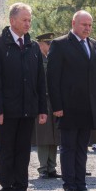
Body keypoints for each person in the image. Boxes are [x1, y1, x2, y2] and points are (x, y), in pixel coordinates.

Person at [0, 3, 47, 191]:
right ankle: (7, 189)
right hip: (6, 111)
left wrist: (42, 109)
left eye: (30, 20)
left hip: (28, 109)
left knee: (23, 151)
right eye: (24, 20)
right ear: (12, 21)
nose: (28, 23)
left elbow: (40, 80)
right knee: (7, 151)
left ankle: (21, 187)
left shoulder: (33, 46)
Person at [47, 10, 96, 191]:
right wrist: (57, 106)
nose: (87, 28)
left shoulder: (95, 45)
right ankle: (69, 184)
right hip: (69, 107)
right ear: (74, 23)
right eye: (84, 24)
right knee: (68, 147)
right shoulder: (60, 44)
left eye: (90, 25)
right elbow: (52, 78)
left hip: (89, 107)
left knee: (82, 147)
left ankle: (81, 183)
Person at [32, 32, 61, 179]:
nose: (50, 46)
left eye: (51, 43)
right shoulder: (35, 59)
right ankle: (43, 167)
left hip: (53, 100)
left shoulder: (52, 59)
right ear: (40, 44)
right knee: (43, 136)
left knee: (54, 135)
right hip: (41, 101)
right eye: (47, 43)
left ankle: (52, 167)